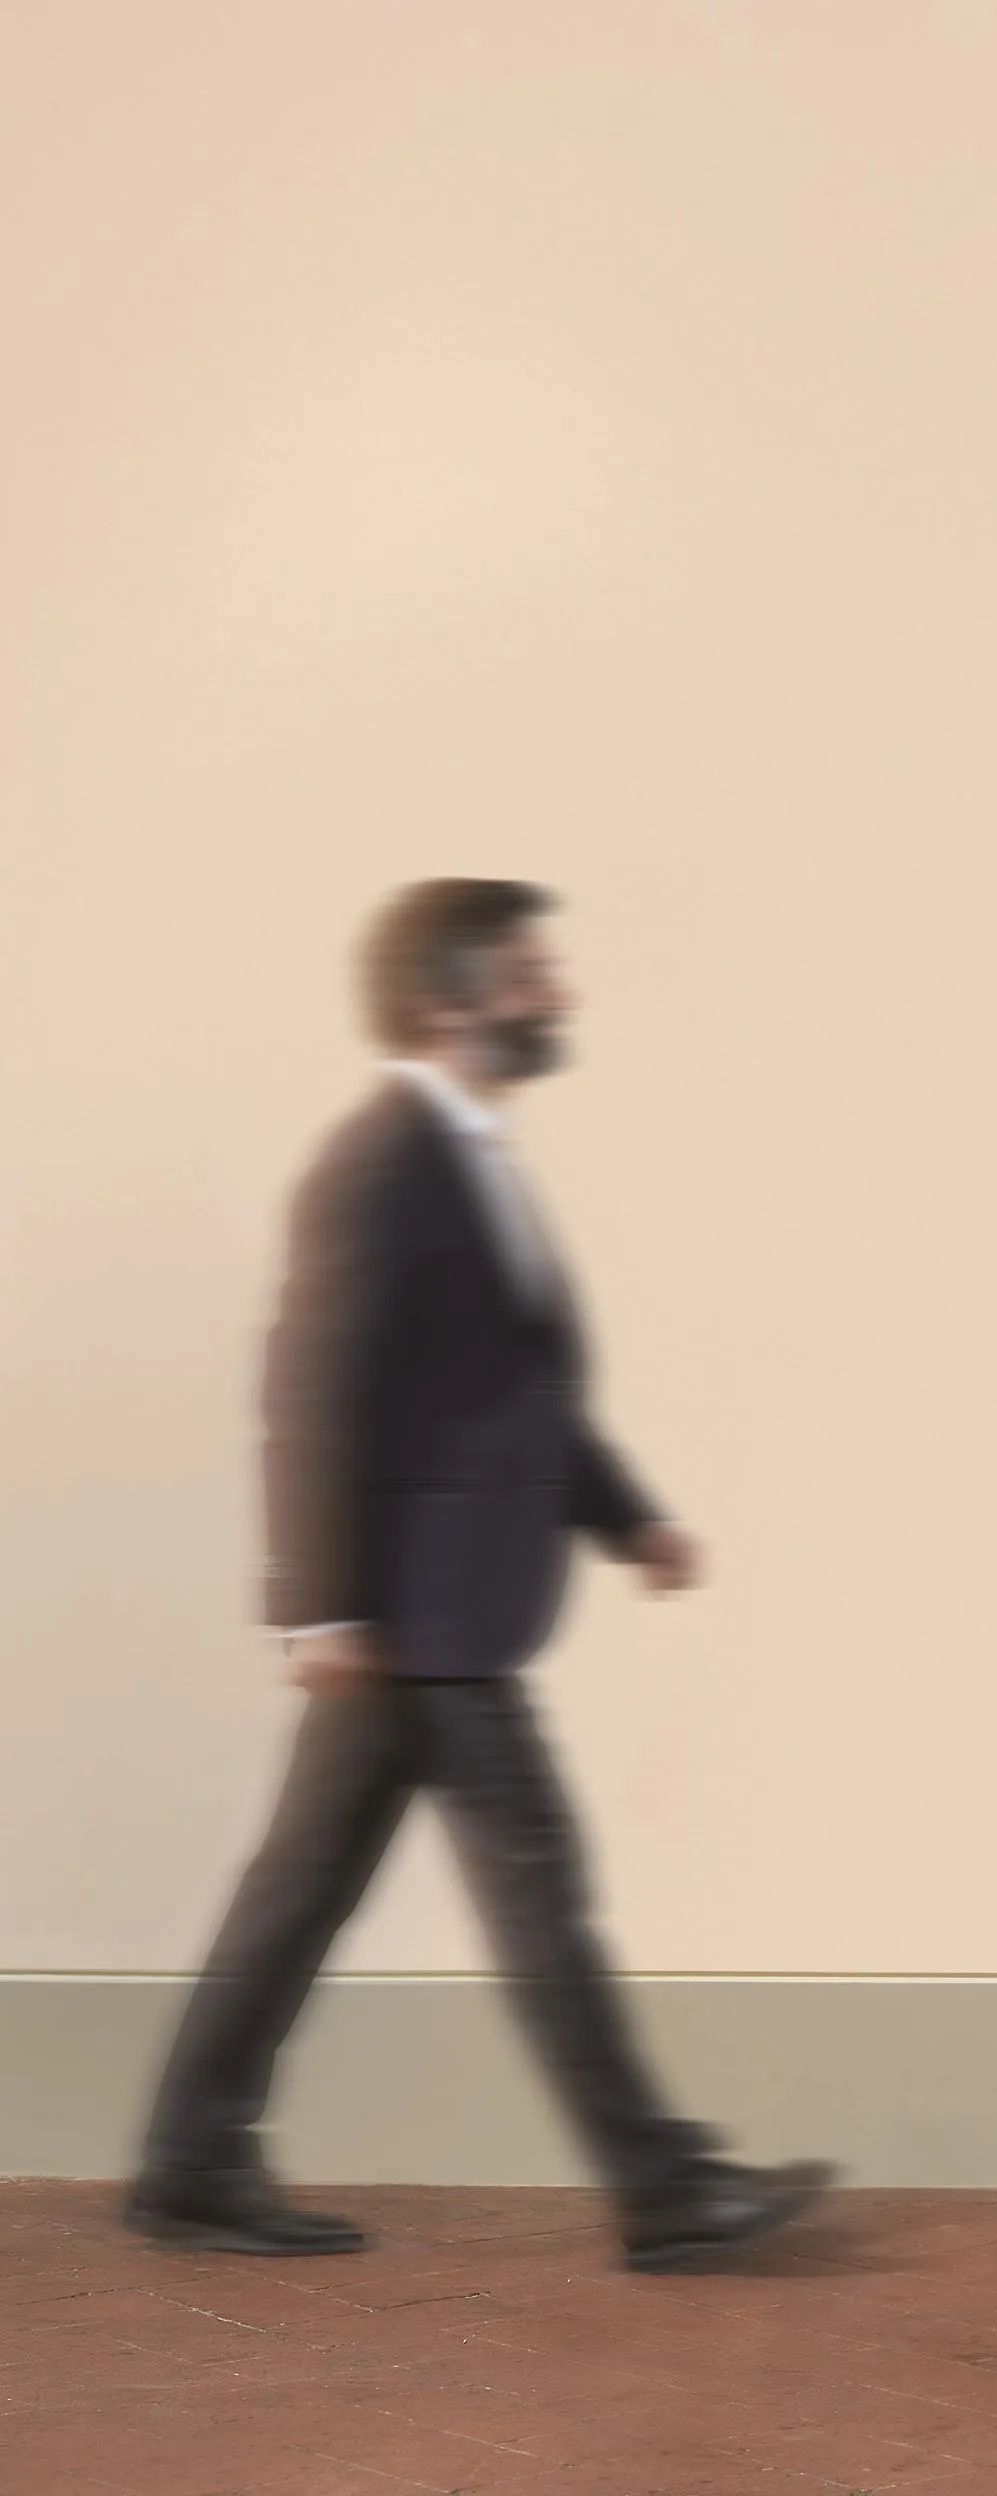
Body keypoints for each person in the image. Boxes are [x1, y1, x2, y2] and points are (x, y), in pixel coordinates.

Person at [125, 879, 835, 2273]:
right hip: (416, 1620)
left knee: (300, 1891)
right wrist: (320, 1607)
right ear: (440, 1000)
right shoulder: (380, 1163)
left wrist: (629, 1522)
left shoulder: (469, 1155)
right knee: (535, 1892)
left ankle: (190, 2164)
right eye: (524, 972)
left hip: (425, 1616)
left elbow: (511, 1402)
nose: (556, 992)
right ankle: (663, 2193)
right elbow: (306, 1390)